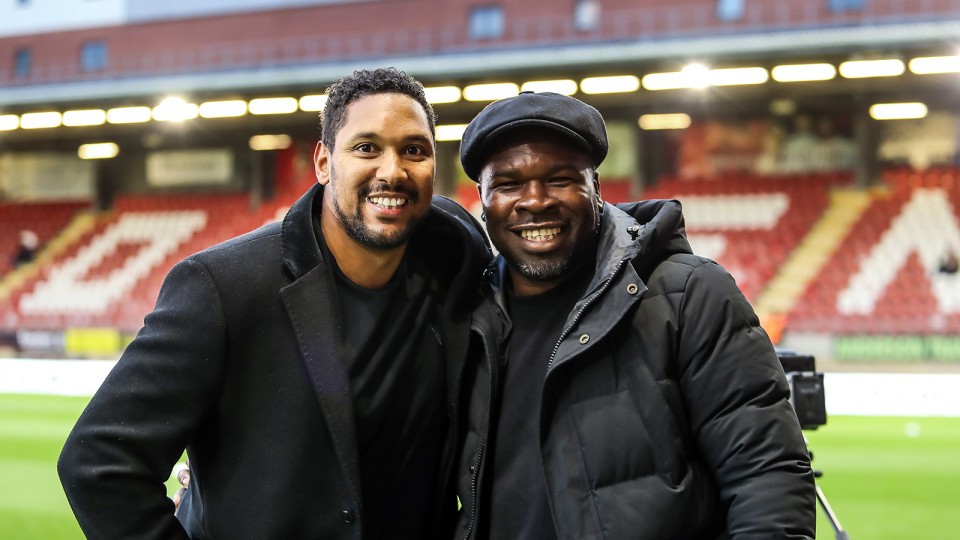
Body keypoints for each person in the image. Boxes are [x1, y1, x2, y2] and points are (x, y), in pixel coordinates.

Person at [57, 68, 491, 539]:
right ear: (324, 163)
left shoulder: (458, 252)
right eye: (366, 147)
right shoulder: (223, 286)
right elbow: (98, 461)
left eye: (414, 150)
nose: (393, 170)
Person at [454, 92, 816, 539]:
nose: (536, 200)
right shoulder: (468, 319)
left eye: (560, 179)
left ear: (597, 188)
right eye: (508, 184)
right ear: (483, 200)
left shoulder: (689, 293)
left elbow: (766, 475)